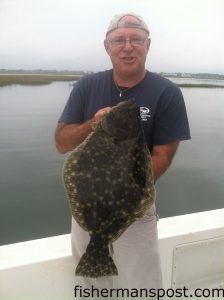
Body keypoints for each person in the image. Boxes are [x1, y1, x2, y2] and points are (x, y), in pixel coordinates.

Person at [55, 13, 190, 293]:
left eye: (136, 39)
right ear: (107, 46)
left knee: (142, 288)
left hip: (135, 210)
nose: (127, 46)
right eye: (119, 40)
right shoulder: (86, 86)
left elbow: (163, 156)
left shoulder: (167, 93)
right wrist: (93, 124)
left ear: (148, 44)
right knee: (91, 286)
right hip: (88, 207)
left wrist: (127, 193)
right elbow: (62, 144)